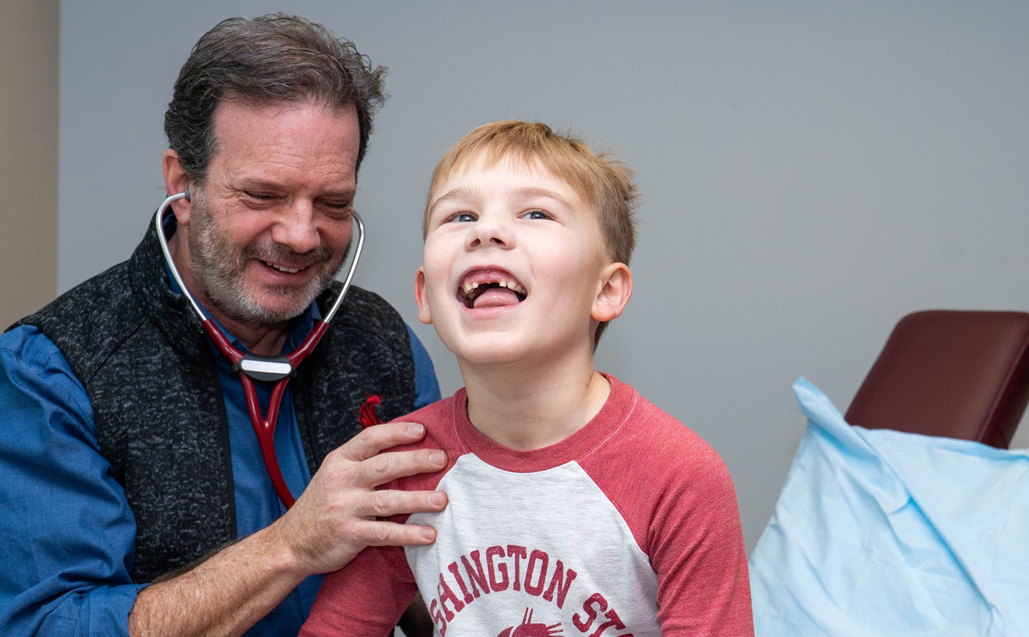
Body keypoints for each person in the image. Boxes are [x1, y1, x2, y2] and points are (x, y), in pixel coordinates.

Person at [0, 14, 451, 637]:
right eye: (262, 196)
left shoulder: (381, 344)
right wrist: (292, 546)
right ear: (182, 185)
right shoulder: (52, 370)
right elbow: (49, 626)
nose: (302, 235)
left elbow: (434, 581)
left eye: (332, 203)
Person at [298, 121, 755, 636]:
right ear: (425, 295)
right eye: (460, 215)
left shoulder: (682, 478)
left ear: (606, 291)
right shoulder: (403, 471)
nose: (485, 231)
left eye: (536, 213)